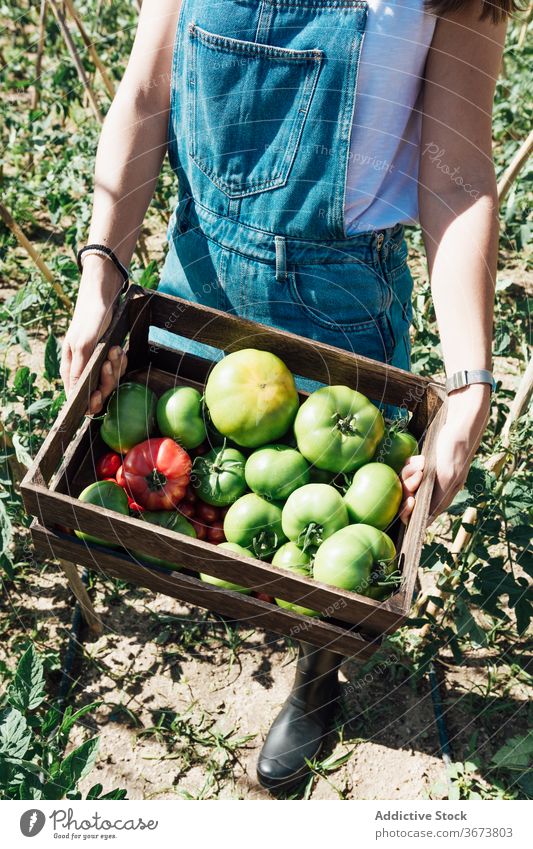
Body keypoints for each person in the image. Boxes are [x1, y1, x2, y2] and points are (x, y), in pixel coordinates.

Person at [60, 0, 510, 793]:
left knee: (336, 546)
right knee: (174, 483)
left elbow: (459, 172)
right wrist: (102, 266)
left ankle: (315, 679)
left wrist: (470, 380)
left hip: (338, 307)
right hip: (194, 274)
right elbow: (145, 91)